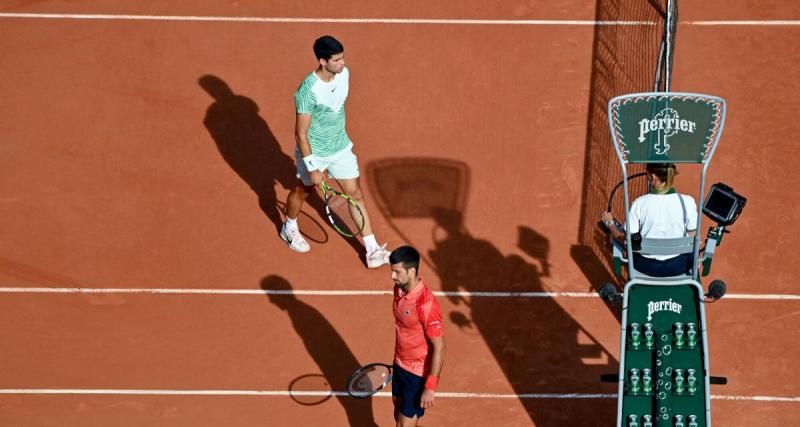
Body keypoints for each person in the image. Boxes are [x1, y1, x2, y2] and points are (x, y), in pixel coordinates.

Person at [280, 35, 390, 268]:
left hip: (340, 147)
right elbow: (300, 133)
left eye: (342, 58)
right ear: (322, 61)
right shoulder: (307, 92)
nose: (343, 63)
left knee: (356, 194)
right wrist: (313, 167)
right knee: (302, 192)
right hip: (314, 153)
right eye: (337, 60)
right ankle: (289, 226)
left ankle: (371, 250)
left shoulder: (344, 74)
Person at [601, 163, 698, 277]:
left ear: (652, 177)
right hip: (679, 266)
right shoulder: (688, 201)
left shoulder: (639, 203)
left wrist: (609, 223)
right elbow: (692, 234)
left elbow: (625, 240)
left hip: (645, 267)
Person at [389, 246, 446, 427]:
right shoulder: (398, 290)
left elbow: (440, 347)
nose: (393, 276)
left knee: (403, 425)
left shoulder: (426, 305)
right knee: (398, 412)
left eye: (397, 272)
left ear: (412, 271)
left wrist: (430, 386)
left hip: (417, 373)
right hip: (399, 364)